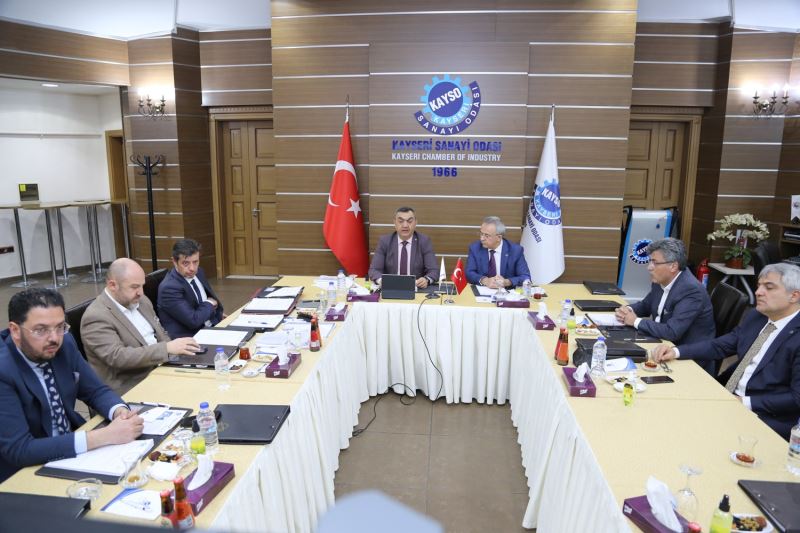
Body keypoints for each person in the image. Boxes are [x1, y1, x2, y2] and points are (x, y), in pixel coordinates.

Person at [0, 288, 143, 482]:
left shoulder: (64, 343)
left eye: (60, 327)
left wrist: (120, 412)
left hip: (74, 451)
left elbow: (95, 391)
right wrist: (105, 436)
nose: (54, 338)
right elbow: (19, 449)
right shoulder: (4, 369)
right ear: (15, 330)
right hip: (23, 472)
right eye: (41, 330)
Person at [653, 263, 800, 440]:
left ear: (794, 296)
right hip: (726, 393)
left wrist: (743, 402)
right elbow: (721, 346)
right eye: (759, 286)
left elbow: (796, 398)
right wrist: (676, 351)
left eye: (769, 287)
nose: (758, 292)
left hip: (764, 416)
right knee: (665, 405)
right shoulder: (758, 317)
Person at [81, 258, 201, 395]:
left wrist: (177, 356)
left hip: (161, 369)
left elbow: (161, 333)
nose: (141, 292)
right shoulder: (96, 316)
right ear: (112, 285)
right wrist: (166, 349)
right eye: (134, 287)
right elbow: (118, 357)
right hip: (132, 385)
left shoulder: (141, 301)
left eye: (142, 286)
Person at [614, 238, 715, 371]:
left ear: (673, 266)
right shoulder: (661, 280)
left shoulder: (691, 290)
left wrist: (635, 321)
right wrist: (627, 310)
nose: (649, 267)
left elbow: (672, 332)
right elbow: (646, 305)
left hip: (688, 360)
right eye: (650, 261)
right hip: (661, 346)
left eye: (655, 262)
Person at [158, 238, 224, 338]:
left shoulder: (199, 272)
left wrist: (218, 316)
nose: (192, 268)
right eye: (186, 263)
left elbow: (207, 305)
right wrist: (209, 304)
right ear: (174, 261)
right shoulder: (169, 288)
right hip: (191, 337)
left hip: (210, 327)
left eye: (195, 262)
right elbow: (194, 320)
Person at [368, 207, 438, 288]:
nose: (405, 225)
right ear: (394, 222)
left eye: (410, 221)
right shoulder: (385, 241)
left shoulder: (424, 241)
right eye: (401, 221)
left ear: (415, 222)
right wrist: (382, 281)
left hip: (416, 290)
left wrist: (427, 280)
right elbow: (374, 270)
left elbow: (434, 271)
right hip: (391, 288)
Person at [466, 216, 531, 288]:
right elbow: (469, 273)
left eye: (487, 235)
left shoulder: (515, 250)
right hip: (482, 291)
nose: (482, 238)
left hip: (506, 292)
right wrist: (485, 281)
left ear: (499, 238)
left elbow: (525, 277)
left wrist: (506, 282)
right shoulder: (475, 248)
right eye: (481, 234)